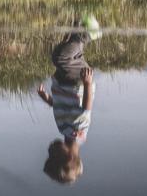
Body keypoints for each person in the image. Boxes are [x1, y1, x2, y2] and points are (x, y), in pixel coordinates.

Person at [37, 28, 96, 184]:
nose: (50, 151)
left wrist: (46, 98)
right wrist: (87, 83)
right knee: (61, 58)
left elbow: (60, 106)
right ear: (69, 156)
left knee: (64, 54)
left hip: (64, 82)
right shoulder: (79, 132)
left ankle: (78, 24)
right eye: (53, 155)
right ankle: (90, 32)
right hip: (77, 82)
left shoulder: (64, 130)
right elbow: (86, 108)